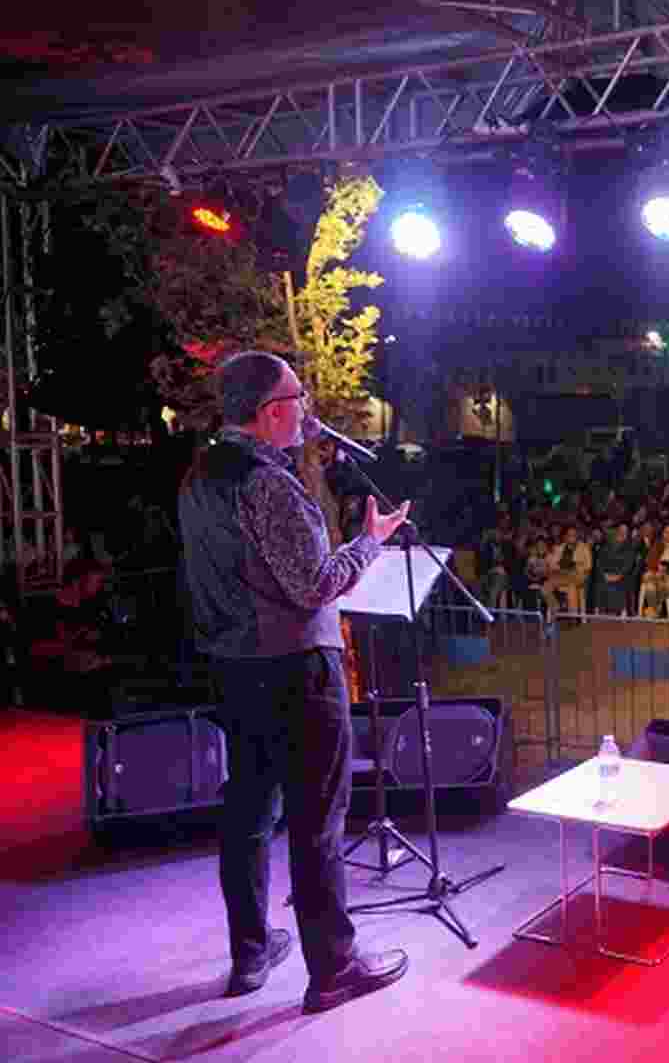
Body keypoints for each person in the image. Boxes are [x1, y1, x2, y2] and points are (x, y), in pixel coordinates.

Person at [177, 352, 412, 1013]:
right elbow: (314, 586)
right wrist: (370, 542)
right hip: (296, 674)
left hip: (233, 670)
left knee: (248, 809)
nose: (306, 408)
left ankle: (251, 954)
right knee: (317, 821)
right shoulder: (269, 485)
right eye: (298, 397)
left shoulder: (197, 476)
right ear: (270, 410)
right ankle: (333, 968)